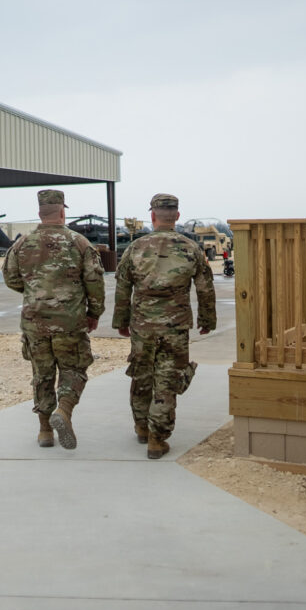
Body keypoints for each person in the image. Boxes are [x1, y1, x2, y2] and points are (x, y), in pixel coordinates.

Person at [112, 193, 216, 459]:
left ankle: (141, 427)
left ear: (153, 216)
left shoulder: (135, 248)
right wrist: (207, 320)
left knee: (142, 374)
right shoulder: (191, 248)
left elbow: (122, 287)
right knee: (168, 379)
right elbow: (205, 288)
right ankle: (157, 439)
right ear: (177, 216)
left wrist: (121, 321)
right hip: (175, 326)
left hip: (143, 325)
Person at [2, 189, 105, 449]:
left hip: (34, 321)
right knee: (74, 368)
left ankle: (45, 431)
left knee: (42, 374)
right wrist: (94, 313)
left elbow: (11, 278)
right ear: (62, 212)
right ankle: (65, 410)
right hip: (70, 321)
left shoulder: (22, 243)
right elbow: (95, 281)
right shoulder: (79, 242)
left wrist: (35, 293)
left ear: (39, 213)